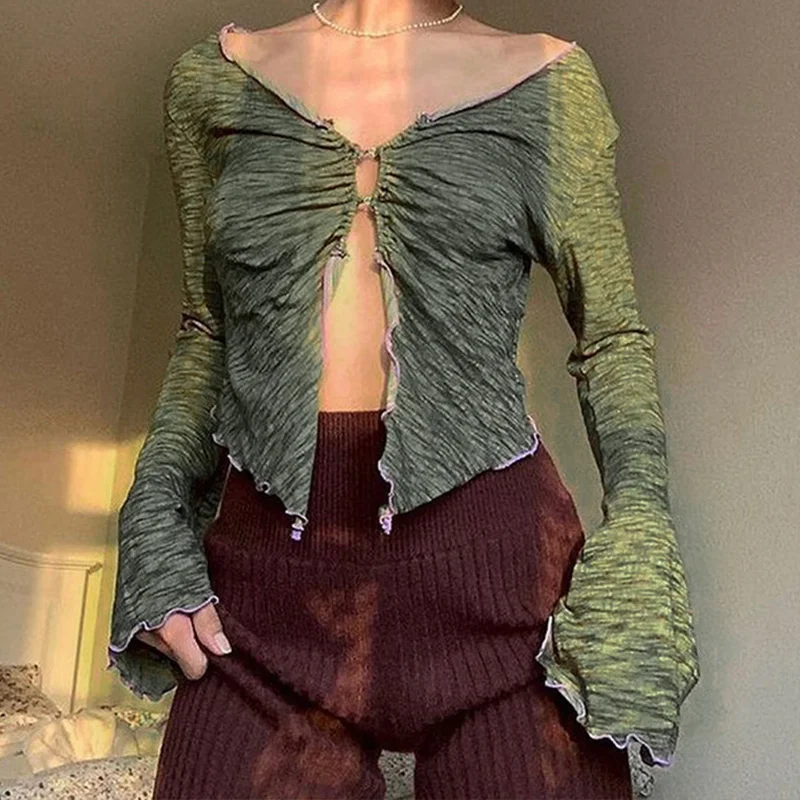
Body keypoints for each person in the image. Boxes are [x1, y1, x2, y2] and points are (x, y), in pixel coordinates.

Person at [106, 1, 701, 797]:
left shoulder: (551, 81)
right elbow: (207, 330)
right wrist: (153, 516)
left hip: (506, 598)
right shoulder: (209, 82)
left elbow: (611, 336)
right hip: (261, 608)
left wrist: (642, 535)